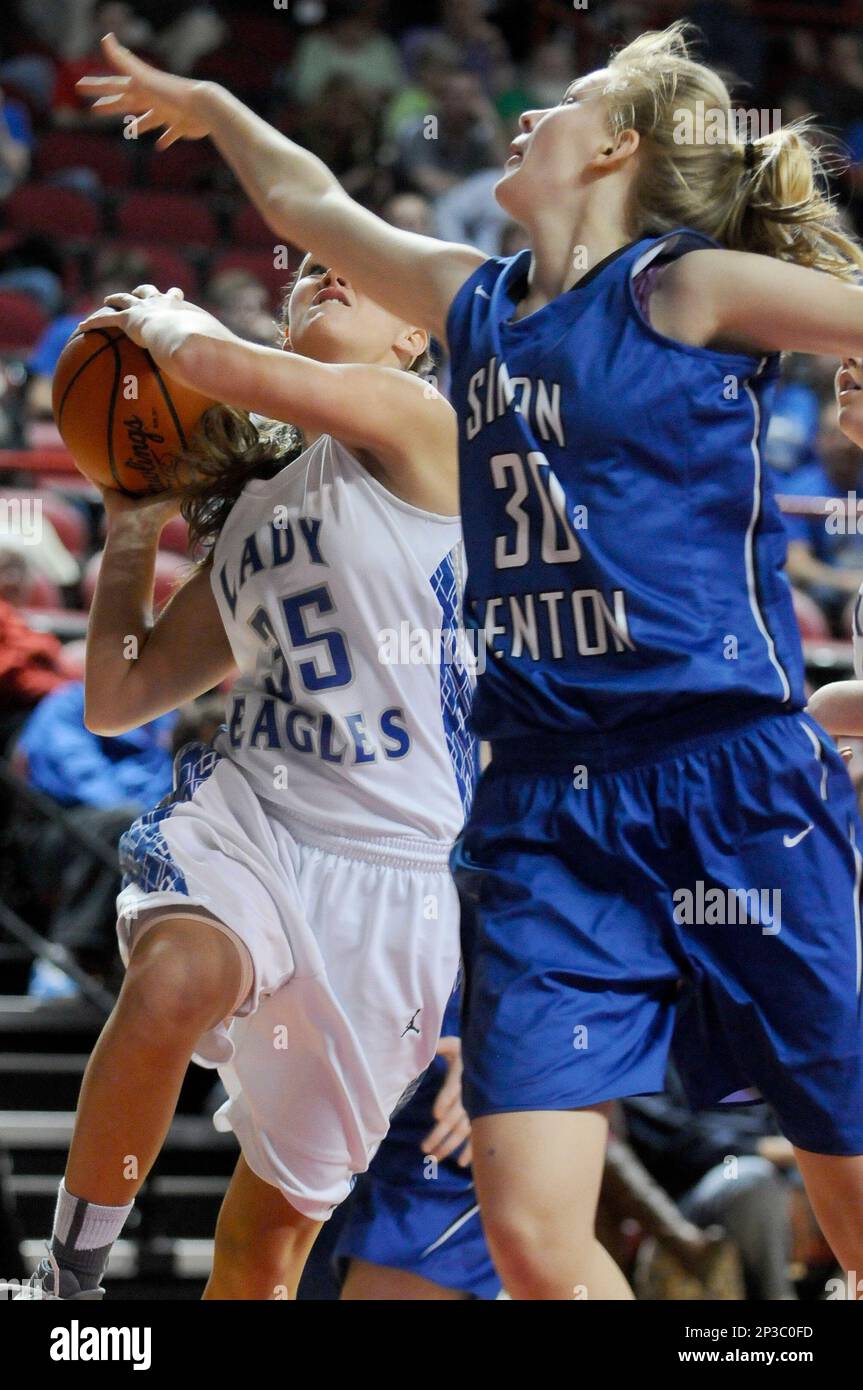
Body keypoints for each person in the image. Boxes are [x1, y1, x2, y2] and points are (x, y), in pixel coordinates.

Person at [75, 19, 863, 1301]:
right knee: (534, 1242)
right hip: (545, 796)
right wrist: (214, 104)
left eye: (563, 103)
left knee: (843, 1185)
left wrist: (174, 335)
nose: (523, 117)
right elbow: (310, 201)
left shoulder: (683, 287)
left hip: (725, 766)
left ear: (614, 145)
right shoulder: (470, 303)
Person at [3, 252, 473, 1300]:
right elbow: (122, 697)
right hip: (256, 817)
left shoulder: (422, 422)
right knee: (171, 979)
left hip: (398, 878)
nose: (321, 270)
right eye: (307, 268)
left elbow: (254, 381)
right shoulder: (260, 510)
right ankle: (67, 1286)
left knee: (261, 1249)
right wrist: (131, 528)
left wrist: (180, 332)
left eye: (353, 264)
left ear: (414, 337)